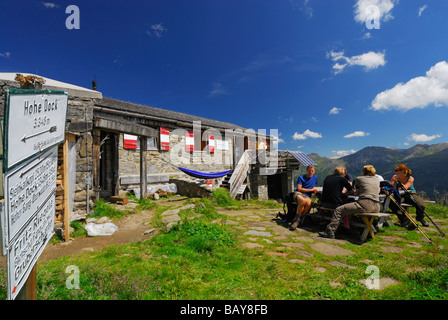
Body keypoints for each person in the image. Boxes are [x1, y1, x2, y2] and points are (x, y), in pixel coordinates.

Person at [319, 165, 380, 239]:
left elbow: (357, 193)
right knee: (352, 208)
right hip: (377, 206)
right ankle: (366, 228)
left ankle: (330, 231)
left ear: (364, 172)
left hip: (365, 203)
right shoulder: (377, 180)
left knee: (339, 210)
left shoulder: (359, 178)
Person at [290, 165, 318, 230]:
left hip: (307, 195)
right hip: (299, 193)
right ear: (307, 171)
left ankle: (301, 218)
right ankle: (297, 220)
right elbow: (299, 189)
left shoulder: (315, 178)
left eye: (312, 171)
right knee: (302, 201)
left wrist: (314, 189)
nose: (310, 172)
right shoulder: (301, 177)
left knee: (309, 203)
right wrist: (311, 190)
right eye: (309, 170)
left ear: (314, 171)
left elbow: (313, 186)